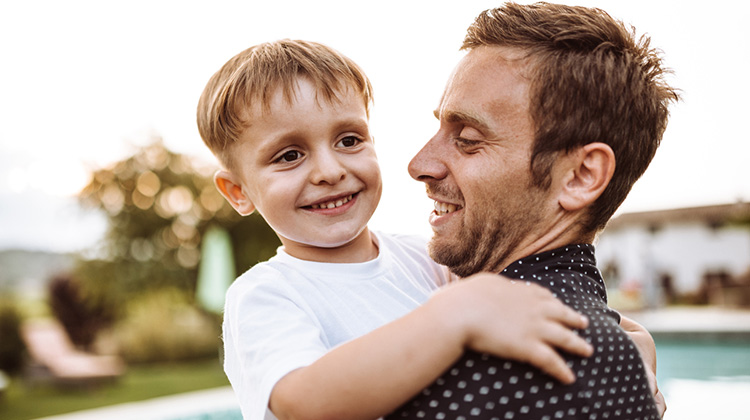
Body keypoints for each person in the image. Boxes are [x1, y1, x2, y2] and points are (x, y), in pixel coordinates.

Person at [196, 38, 597, 420]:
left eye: (349, 140)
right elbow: (304, 404)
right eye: (289, 155)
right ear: (238, 192)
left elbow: (524, 308)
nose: (331, 171)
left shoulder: (425, 259)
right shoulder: (265, 295)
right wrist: (450, 317)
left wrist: (626, 336)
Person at [386, 2, 679, 419]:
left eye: (467, 138)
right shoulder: (617, 350)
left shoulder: (492, 367)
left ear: (580, 175)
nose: (420, 164)